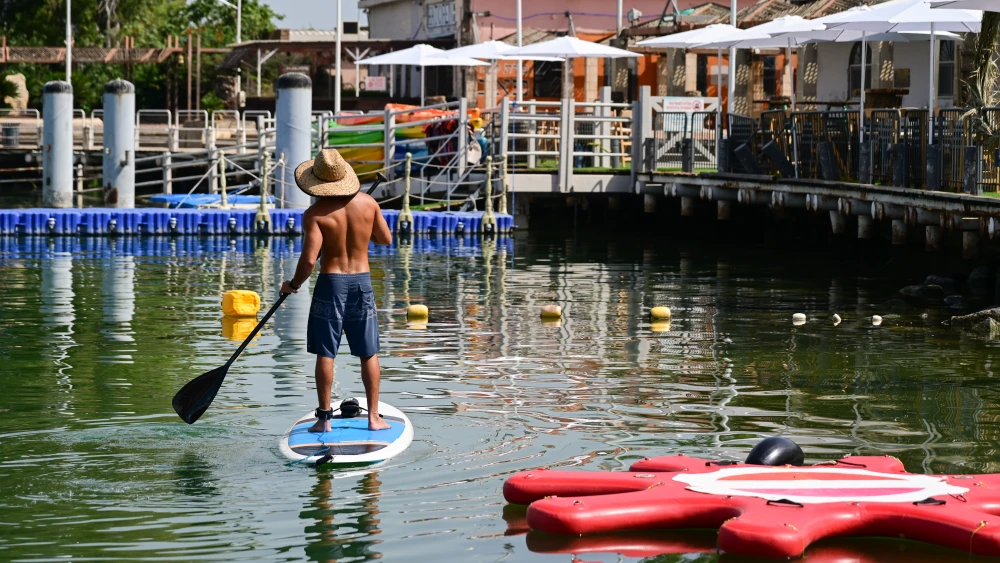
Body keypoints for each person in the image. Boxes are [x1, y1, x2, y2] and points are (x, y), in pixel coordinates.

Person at [280, 149, 392, 433]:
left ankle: (324, 420)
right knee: (369, 353)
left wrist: (293, 285)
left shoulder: (314, 214)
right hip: (362, 283)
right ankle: (374, 418)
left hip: (331, 285)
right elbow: (385, 239)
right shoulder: (369, 203)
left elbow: (308, 261)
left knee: (326, 353)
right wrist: (362, 228)